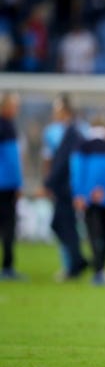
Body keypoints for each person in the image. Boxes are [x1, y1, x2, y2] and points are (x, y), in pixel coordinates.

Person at [70, 117, 105, 285]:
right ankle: (102, 268)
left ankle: (98, 268)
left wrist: (80, 194)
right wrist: (103, 188)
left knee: (93, 234)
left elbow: (77, 172)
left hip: (88, 198)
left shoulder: (82, 147)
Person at [44, 93, 89, 280]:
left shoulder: (72, 132)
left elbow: (63, 162)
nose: (54, 113)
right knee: (64, 225)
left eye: (57, 109)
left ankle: (77, 262)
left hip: (67, 187)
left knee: (62, 225)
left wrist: (48, 183)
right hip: (65, 186)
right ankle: (76, 262)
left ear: (66, 111)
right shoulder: (66, 131)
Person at [0, 91, 24, 280]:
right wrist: (18, 184)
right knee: (8, 226)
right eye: (15, 105)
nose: (17, 109)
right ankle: (7, 267)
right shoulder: (7, 127)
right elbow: (12, 159)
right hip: (6, 185)